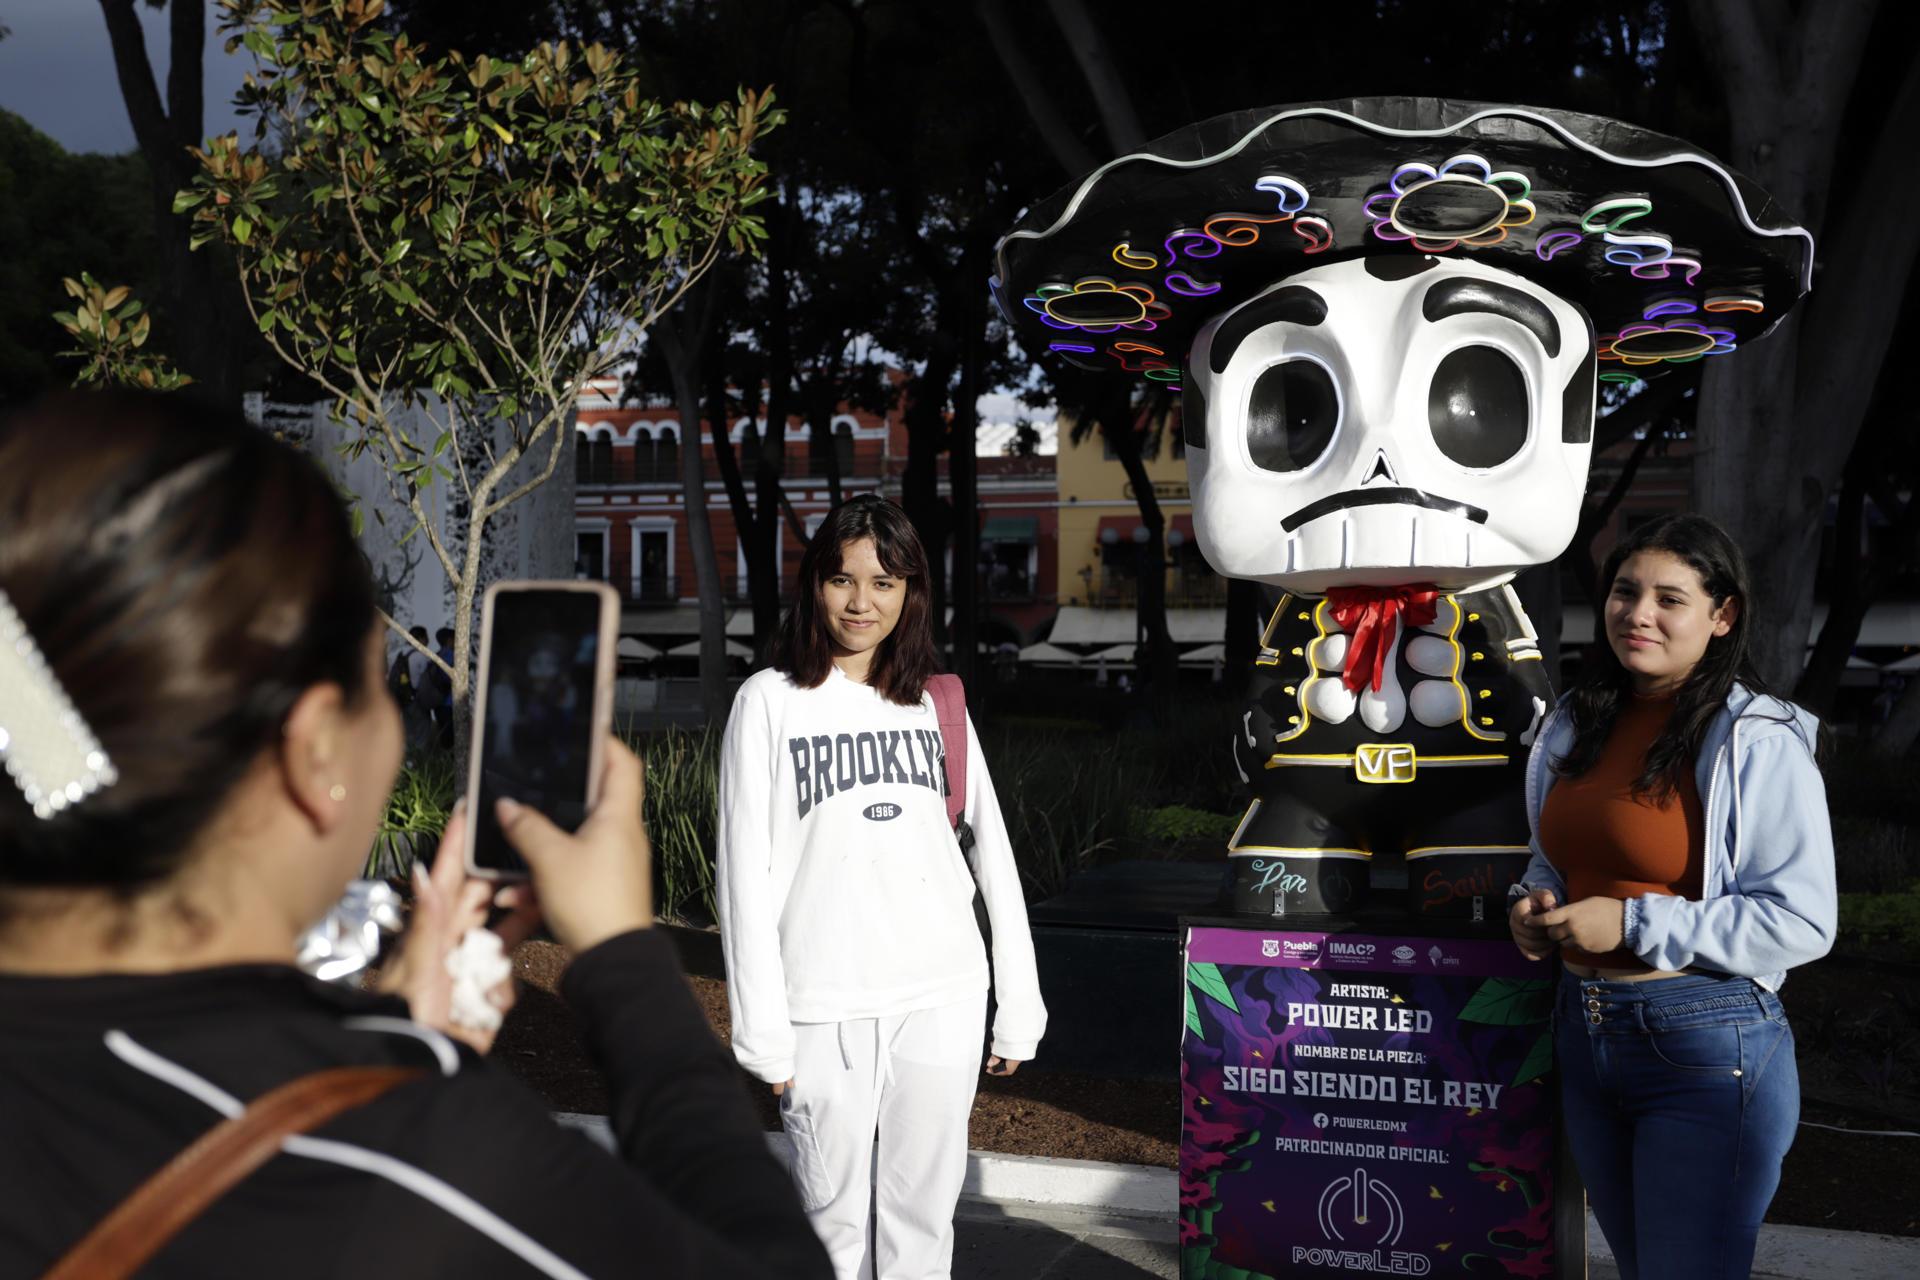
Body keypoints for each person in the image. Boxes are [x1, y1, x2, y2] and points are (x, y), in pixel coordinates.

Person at [0, 392, 832, 1279]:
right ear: (317, 748)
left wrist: (384, 1048)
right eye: (377, 688)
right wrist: (628, 969)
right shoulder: (414, 1171)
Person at [717, 496, 1046, 1280]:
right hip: (823, 1003)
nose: (863, 603)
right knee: (828, 1225)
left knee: (923, 1224)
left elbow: (991, 855)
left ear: (911, 593)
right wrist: (762, 1031)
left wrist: (1019, 1005)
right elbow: (742, 880)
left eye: (885, 582)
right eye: (842, 580)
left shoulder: (938, 703)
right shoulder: (768, 702)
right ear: (815, 587)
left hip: (943, 996)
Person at [1507, 513, 1836, 1280]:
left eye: (1669, 598)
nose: (1638, 614)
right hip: (1585, 1033)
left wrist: (1627, 921)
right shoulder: (1577, 721)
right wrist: (1537, 899)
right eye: (1625, 592)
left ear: (1723, 616)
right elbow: (1555, 856)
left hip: (1704, 1045)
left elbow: (1803, 919)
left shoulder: (1758, 738)